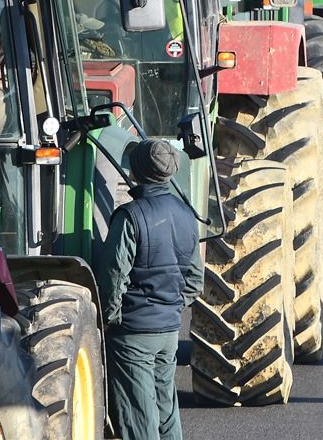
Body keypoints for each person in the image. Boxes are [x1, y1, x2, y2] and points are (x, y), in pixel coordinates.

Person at [93, 139, 202, 440]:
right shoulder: (187, 215)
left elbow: (114, 273)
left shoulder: (130, 216)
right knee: (166, 411)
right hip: (168, 332)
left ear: (136, 170)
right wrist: (169, 308)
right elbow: (195, 280)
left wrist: (110, 317)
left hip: (133, 333)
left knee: (137, 416)